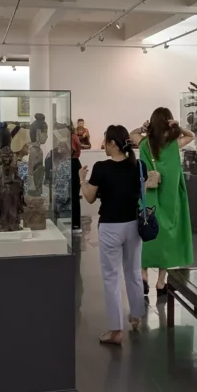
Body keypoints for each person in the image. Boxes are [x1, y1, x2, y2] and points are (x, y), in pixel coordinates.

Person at [80, 125, 146, 346]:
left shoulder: (101, 167)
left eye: (107, 141)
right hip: (134, 225)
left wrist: (82, 179)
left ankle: (116, 330)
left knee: (111, 277)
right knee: (134, 272)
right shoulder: (139, 166)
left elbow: (89, 197)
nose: (105, 145)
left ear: (113, 144)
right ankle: (136, 317)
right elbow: (141, 192)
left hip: (110, 227)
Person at [132, 108, 194, 296]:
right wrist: (179, 126)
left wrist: (143, 128)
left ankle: (143, 275)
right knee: (167, 234)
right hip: (171, 198)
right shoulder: (175, 144)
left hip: (148, 195)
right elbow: (191, 136)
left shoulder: (144, 143)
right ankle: (160, 282)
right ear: (168, 122)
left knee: (147, 231)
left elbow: (131, 134)